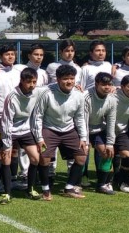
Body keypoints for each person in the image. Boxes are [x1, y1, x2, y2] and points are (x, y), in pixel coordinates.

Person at [31, 64, 89, 199]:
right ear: (57, 79)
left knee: (82, 157)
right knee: (44, 159)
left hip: (68, 129)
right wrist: (39, 138)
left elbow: (80, 118)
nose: (69, 81)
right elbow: (38, 116)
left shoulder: (78, 95)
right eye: (65, 79)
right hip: (49, 128)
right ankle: (46, 190)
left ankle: (69, 188)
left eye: (72, 78)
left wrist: (83, 138)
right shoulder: (46, 93)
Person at [1, 68, 45, 200]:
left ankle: (30, 189)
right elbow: (6, 121)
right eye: (28, 82)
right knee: (6, 158)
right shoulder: (12, 97)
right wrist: (7, 144)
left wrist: (39, 138)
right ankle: (7, 192)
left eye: (34, 82)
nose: (32, 85)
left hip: (26, 131)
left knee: (35, 158)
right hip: (11, 131)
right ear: (21, 81)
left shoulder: (37, 93)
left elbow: (52, 89)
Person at [0, 43, 25, 194]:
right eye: (6, 54)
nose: (10, 57)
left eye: (12, 54)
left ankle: (13, 179)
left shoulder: (20, 70)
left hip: (17, 116)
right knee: (1, 149)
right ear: (0, 56)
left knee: (15, 149)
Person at [85, 71, 117, 193]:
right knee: (81, 155)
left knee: (107, 153)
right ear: (96, 84)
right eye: (104, 84)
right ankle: (80, 180)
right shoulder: (86, 96)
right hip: (83, 128)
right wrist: (85, 140)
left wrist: (110, 143)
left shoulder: (112, 99)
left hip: (98, 129)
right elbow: (82, 120)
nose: (107, 87)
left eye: (109, 84)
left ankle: (101, 184)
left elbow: (111, 121)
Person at [111, 75, 129, 193]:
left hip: (122, 131)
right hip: (106, 130)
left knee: (127, 156)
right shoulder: (113, 97)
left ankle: (122, 181)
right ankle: (105, 182)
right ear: (122, 86)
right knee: (108, 156)